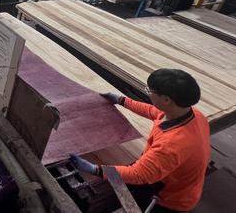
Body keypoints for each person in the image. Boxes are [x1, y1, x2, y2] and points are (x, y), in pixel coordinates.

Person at [70, 69, 210, 212]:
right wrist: (121, 100)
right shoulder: (191, 114)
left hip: (169, 198)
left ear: (167, 100)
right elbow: (153, 111)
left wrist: (95, 169)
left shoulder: (172, 145)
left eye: (150, 91)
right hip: (169, 177)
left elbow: (139, 174)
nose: (147, 92)